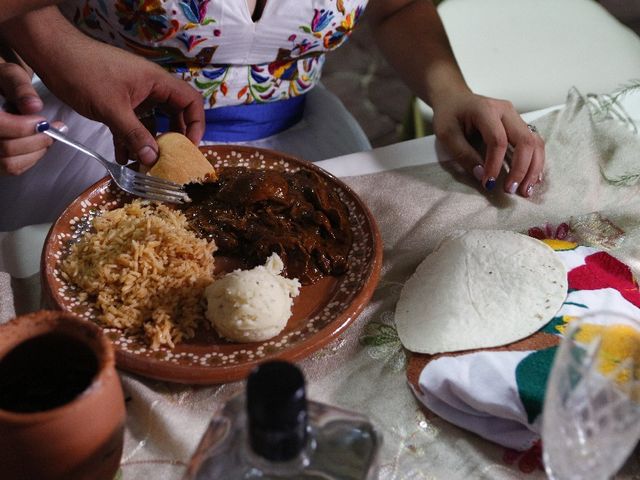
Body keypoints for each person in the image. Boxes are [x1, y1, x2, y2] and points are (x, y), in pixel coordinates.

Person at [0, 0, 544, 230]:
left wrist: (449, 92)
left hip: (302, 146)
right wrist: (53, 51)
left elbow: (396, 7)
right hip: (95, 147)